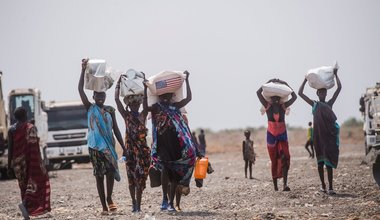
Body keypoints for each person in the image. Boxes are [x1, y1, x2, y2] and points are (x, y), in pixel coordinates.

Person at [143, 71, 196, 212]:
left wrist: (187, 80)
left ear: (172, 94)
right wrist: (144, 88)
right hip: (162, 145)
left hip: (175, 144)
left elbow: (189, 98)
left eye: (168, 94)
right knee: (166, 170)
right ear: (159, 96)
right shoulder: (155, 108)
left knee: (174, 175)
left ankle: (171, 203)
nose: (166, 96)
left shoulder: (176, 106)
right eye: (163, 95)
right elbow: (145, 107)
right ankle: (165, 200)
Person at [78, 58, 126, 214]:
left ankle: (110, 198)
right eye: (97, 96)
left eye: (102, 95)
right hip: (95, 147)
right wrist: (82, 70)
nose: (100, 98)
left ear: (105, 96)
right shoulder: (90, 108)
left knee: (111, 172)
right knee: (99, 176)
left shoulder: (110, 110)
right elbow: (80, 90)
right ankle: (104, 206)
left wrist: (123, 146)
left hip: (109, 146)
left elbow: (116, 130)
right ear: (93, 97)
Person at [298, 67, 341, 195]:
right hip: (318, 139)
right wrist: (305, 80)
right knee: (320, 163)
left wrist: (336, 75)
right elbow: (300, 93)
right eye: (320, 93)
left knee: (328, 165)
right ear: (317, 94)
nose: (322, 94)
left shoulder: (329, 104)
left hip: (328, 138)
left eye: (324, 93)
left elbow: (339, 89)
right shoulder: (314, 105)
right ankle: (323, 185)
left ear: (326, 94)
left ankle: (331, 187)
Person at [115, 76, 151, 213]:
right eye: (133, 103)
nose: (136, 105)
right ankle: (134, 203)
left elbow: (147, 103)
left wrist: (146, 86)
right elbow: (117, 101)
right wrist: (118, 85)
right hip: (130, 153)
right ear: (129, 105)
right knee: (131, 180)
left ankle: (139, 206)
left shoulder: (143, 115)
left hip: (142, 153)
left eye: (138, 103)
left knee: (140, 180)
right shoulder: (127, 116)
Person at [7, 107, 51, 219]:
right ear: (25, 115)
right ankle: (26, 203)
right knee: (37, 182)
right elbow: (34, 148)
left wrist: (9, 166)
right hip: (30, 162)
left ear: (15, 117)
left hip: (17, 163)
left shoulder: (11, 129)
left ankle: (26, 212)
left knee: (23, 186)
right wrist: (40, 163)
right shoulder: (31, 128)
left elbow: (10, 149)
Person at [256, 79, 297, 191]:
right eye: (273, 98)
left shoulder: (283, 107)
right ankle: (275, 185)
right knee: (274, 160)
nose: (276, 100)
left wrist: (285, 83)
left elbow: (294, 97)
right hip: (271, 135)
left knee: (285, 158)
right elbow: (258, 93)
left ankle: (285, 184)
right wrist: (269, 82)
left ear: (280, 99)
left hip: (282, 135)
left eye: (278, 98)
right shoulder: (267, 106)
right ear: (270, 99)